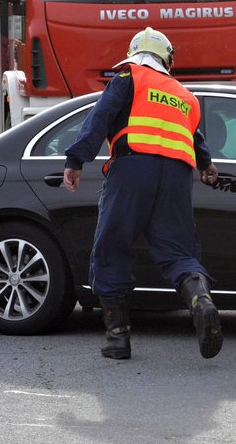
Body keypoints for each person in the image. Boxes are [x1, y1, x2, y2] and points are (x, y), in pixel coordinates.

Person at [63, 27, 222, 360]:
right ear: (167, 59)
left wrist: (76, 159)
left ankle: (117, 337)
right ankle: (201, 300)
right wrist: (206, 165)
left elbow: (100, 118)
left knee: (112, 246)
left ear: (135, 55)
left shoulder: (128, 78)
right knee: (177, 251)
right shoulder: (184, 95)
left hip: (132, 169)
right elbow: (197, 139)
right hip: (177, 176)